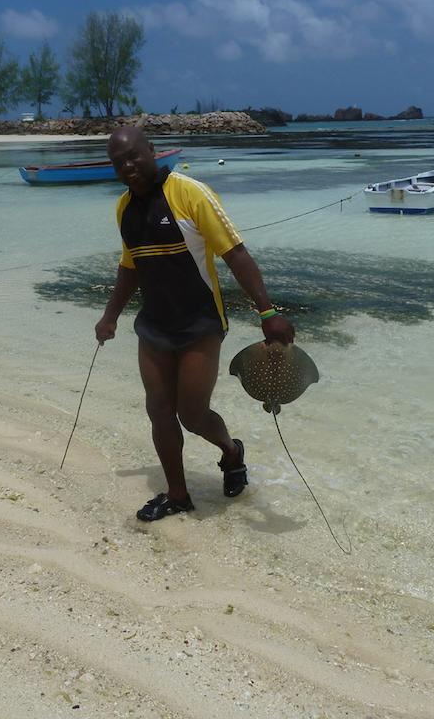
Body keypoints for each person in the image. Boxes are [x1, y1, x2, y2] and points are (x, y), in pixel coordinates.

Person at [95, 126, 294, 522]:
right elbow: (129, 267)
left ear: (153, 151)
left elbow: (235, 254)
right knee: (159, 410)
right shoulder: (124, 208)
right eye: (119, 162)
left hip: (199, 323)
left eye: (134, 156)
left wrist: (267, 312)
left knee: (192, 414)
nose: (128, 167)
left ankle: (231, 451)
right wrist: (110, 316)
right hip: (153, 325)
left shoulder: (190, 193)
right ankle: (178, 494)